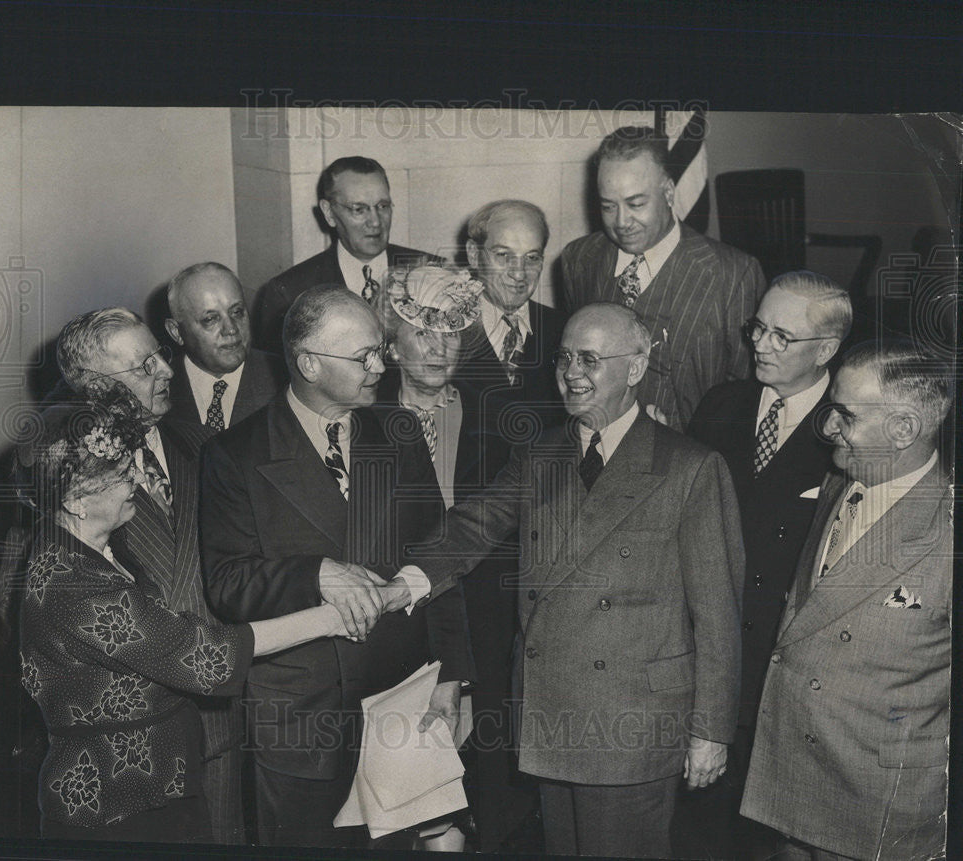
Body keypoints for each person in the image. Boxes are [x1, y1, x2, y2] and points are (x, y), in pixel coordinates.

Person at [385, 302, 745, 858]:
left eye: (591, 359)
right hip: (551, 712)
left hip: (634, 724)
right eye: (564, 357)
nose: (572, 372)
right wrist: (402, 585)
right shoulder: (540, 453)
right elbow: (471, 527)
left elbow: (718, 615)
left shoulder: (689, 467)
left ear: (636, 365)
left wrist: (711, 732)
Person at [15, 387, 365, 842]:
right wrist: (331, 619)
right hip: (116, 803)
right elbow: (206, 658)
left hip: (156, 782)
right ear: (76, 498)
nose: (138, 481)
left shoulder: (88, 545)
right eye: (122, 473)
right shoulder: (73, 584)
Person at [200, 285, 472, 848]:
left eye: (380, 350)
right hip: (301, 717)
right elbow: (227, 585)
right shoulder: (237, 454)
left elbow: (438, 555)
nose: (379, 366)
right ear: (308, 365)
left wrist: (450, 675)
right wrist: (312, 572)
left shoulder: (398, 432)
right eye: (362, 357)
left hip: (397, 701)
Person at [740, 342, 952, 861]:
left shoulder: (947, 530)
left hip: (876, 799)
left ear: (903, 430)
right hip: (791, 769)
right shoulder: (839, 481)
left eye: (846, 416)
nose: (828, 427)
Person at [679, 271, 852, 859]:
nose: (761, 344)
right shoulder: (722, 403)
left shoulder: (848, 430)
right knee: (697, 827)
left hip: (784, 667)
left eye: (783, 336)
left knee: (761, 832)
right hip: (708, 654)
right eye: (759, 328)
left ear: (826, 350)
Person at [55, 307, 245, 843]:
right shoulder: (56, 475)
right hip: (130, 750)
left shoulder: (206, 445)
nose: (166, 370)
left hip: (221, 720)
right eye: (144, 366)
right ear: (93, 387)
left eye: (160, 355)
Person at [374, 265, 537, 850]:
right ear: (391, 343)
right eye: (422, 332)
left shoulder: (501, 417)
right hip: (398, 632)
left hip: (488, 630)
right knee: (405, 800)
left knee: (484, 798)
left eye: (451, 333)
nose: (439, 347)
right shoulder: (364, 422)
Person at [560, 126, 766, 430]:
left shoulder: (733, 275)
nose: (621, 222)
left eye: (636, 204)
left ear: (669, 192)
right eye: (608, 206)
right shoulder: (579, 260)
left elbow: (749, 394)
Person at [255, 156, 442, 351]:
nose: (376, 222)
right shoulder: (290, 292)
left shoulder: (431, 271)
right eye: (359, 209)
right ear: (329, 213)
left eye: (383, 206)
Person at [458, 199, 564, 414]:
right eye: (504, 255)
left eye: (532, 258)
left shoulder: (564, 330)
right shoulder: (445, 328)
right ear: (474, 255)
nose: (519, 273)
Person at [164, 262, 286, 430]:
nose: (231, 329)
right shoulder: (159, 388)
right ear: (176, 332)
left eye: (237, 312)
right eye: (210, 319)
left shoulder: (286, 378)